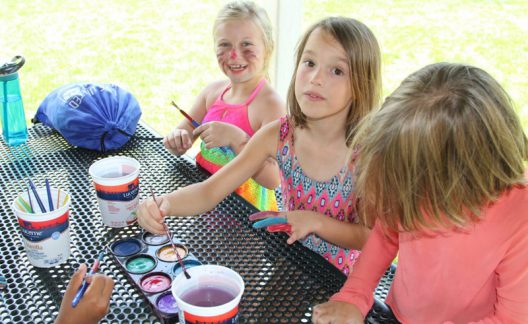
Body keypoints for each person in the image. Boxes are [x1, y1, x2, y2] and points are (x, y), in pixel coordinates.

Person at [138, 16, 382, 276]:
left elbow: (371, 237)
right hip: (290, 258)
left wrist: (316, 223)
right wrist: (162, 203)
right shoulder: (278, 135)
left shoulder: (367, 154)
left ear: (361, 84)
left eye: (337, 70)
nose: (315, 78)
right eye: (309, 63)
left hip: (347, 280)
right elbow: (210, 191)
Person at [312, 63, 528, 323]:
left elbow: (512, 319)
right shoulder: (418, 185)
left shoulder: (520, 216)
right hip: (398, 314)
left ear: (452, 182)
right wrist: (354, 294)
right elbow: (385, 233)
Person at [163, 1, 285, 211]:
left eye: (246, 45)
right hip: (205, 205)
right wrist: (177, 140)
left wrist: (237, 140)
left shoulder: (270, 105)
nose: (234, 55)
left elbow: (273, 179)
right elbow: (183, 134)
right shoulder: (212, 92)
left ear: (267, 48)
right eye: (225, 45)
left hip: (247, 216)